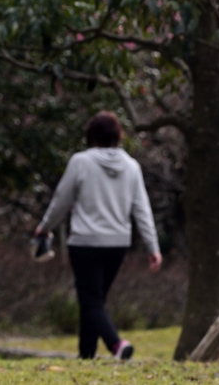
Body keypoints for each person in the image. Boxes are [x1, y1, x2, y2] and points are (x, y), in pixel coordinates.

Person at [36, 111, 161, 360]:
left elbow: (62, 199)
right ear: (117, 136)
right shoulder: (132, 167)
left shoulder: (80, 162)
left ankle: (116, 345)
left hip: (86, 242)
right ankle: (86, 356)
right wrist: (152, 246)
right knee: (94, 301)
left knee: (91, 300)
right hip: (117, 244)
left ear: (91, 135)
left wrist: (45, 226)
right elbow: (142, 209)